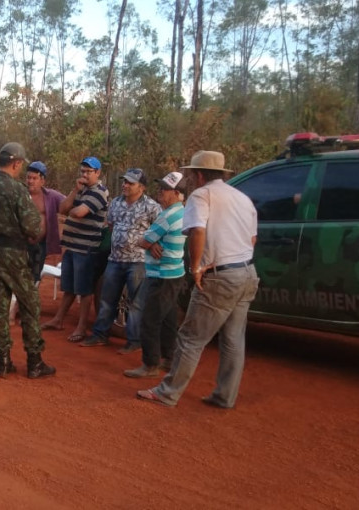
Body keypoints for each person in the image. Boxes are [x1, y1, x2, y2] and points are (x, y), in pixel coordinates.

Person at [137, 151, 258, 408]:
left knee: (190, 337)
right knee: (233, 340)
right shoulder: (242, 197)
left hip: (220, 275)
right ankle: (224, 396)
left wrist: (196, 267)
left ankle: (168, 392)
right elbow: (253, 239)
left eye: (191, 174)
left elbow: (197, 231)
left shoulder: (202, 195)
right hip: (247, 272)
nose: (190, 179)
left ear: (199, 174)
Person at [0, 142, 55, 379]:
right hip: (16, 256)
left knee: (0, 308)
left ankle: (3, 361)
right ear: (16, 163)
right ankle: (34, 361)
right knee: (30, 305)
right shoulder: (18, 191)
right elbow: (33, 227)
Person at [80, 168, 161, 353]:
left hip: (138, 260)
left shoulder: (151, 206)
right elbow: (111, 225)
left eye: (130, 183)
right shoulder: (116, 203)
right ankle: (100, 335)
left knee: (136, 303)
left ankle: (134, 341)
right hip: (115, 259)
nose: (125, 185)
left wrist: (151, 244)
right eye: (125, 181)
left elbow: (159, 230)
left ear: (141, 187)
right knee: (107, 299)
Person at [124, 172, 187, 378]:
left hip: (161, 274)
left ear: (177, 193)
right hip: (174, 272)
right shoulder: (182, 212)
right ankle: (169, 358)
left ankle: (150, 364)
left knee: (150, 320)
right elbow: (149, 241)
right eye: (160, 187)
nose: (160, 192)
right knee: (168, 319)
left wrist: (150, 243)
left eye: (165, 189)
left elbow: (143, 241)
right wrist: (152, 243)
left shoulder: (167, 216)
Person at [41, 157, 109, 341]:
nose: (85, 175)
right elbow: (62, 208)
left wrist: (69, 213)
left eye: (88, 171)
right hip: (72, 246)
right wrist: (74, 191)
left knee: (85, 290)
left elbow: (78, 213)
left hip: (86, 248)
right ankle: (58, 319)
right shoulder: (81, 190)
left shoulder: (100, 192)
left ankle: (81, 327)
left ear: (98, 173)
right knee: (70, 287)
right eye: (83, 171)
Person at [24, 161, 66, 282]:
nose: (30, 181)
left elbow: (67, 204)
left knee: (35, 277)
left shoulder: (51, 196)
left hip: (40, 246)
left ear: (42, 181)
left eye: (34, 178)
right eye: (28, 177)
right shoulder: (20, 195)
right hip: (20, 245)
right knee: (19, 277)